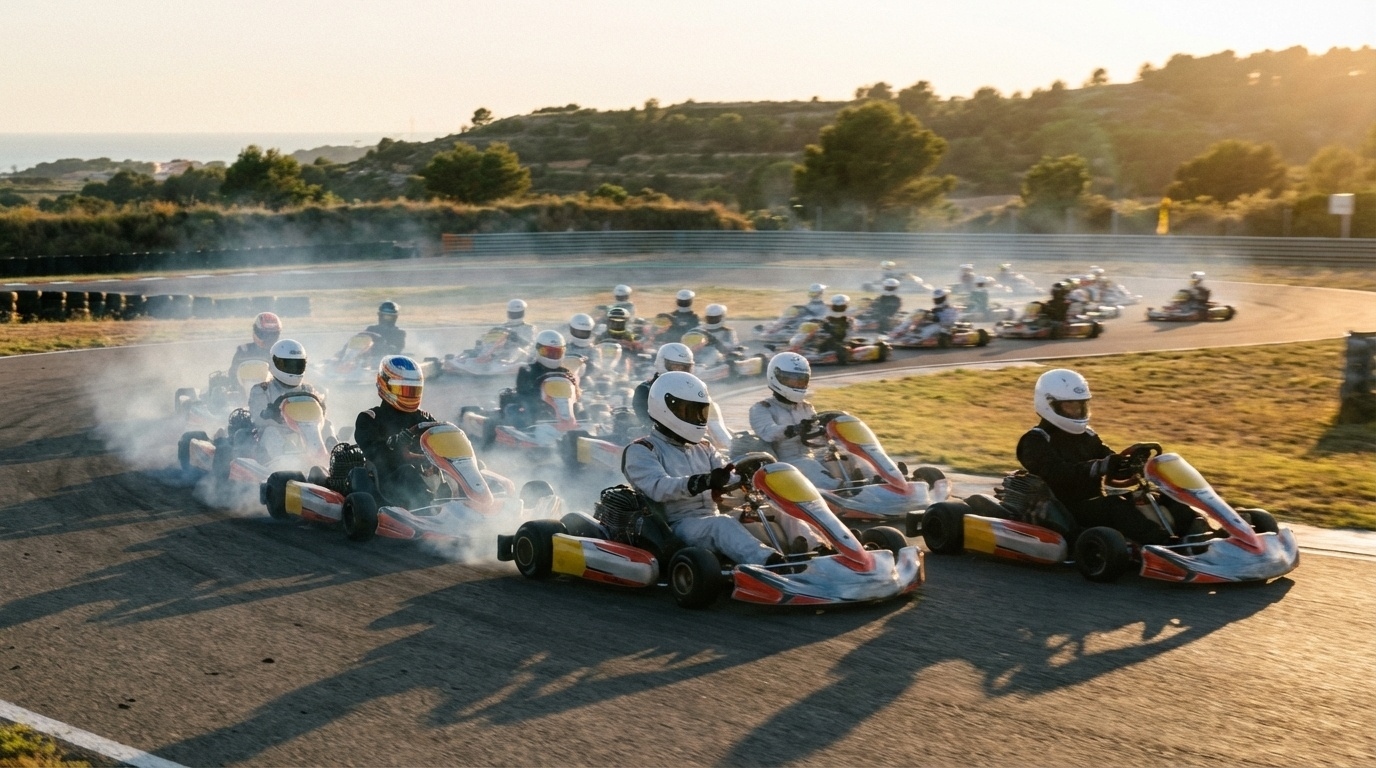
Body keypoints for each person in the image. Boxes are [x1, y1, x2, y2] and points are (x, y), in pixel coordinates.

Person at [1016, 369, 1196, 545]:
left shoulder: (1087, 436)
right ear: (1049, 404)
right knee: (1115, 505)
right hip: (1064, 510)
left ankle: (1198, 532)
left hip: (1096, 503)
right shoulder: (1035, 441)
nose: (1077, 411)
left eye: (1081, 405)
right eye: (1070, 405)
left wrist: (1132, 465)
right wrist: (1099, 467)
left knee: (1161, 495)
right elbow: (1057, 473)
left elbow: (1111, 462)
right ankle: (1162, 544)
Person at [622, 371, 783, 566]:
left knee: (777, 511)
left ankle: (817, 549)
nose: (696, 418)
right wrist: (702, 481)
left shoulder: (704, 447)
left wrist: (745, 477)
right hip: (678, 525)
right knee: (722, 525)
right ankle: (772, 564)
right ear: (664, 409)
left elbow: (723, 476)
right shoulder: (642, 449)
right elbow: (659, 487)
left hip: (713, 516)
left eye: (700, 411)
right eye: (688, 411)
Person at [354, 355, 439, 510]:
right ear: (384, 384)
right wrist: (398, 443)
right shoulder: (369, 419)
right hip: (390, 482)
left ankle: (474, 502)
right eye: (403, 389)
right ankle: (430, 509)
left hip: (425, 473)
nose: (408, 394)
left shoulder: (424, 417)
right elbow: (377, 455)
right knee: (408, 471)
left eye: (413, 390)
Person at [748, 352, 842, 491]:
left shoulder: (806, 407)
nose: (798, 384)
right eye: (793, 380)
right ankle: (840, 492)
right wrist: (793, 429)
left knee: (848, 457)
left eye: (801, 380)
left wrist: (826, 429)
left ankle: (872, 486)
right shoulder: (761, 408)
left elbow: (817, 439)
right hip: (786, 463)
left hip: (813, 455)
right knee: (809, 465)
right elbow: (768, 432)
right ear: (776, 377)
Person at [247, 338, 330, 457]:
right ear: (273, 363)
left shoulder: (308, 389)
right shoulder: (262, 390)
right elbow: (258, 420)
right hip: (275, 437)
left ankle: (336, 458)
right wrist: (273, 414)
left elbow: (320, 414)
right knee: (270, 432)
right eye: (288, 364)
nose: (294, 368)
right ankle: (284, 465)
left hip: (306, 433)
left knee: (327, 424)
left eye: (298, 364)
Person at [507, 330, 576, 426]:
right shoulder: (527, 370)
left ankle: (582, 427)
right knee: (515, 408)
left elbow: (575, 392)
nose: (552, 356)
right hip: (538, 409)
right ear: (538, 350)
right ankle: (524, 430)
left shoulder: (566, 372)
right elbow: (523, 392)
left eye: (557, 353)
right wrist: (540, 391)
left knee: (582, 407)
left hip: (564, 406)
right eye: (549, 352)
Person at [632, 342, 694, 424]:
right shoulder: (645, 389)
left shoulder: (693, 388)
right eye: (675, 366)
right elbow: (647, 421)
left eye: (683, 367)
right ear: (661, 363)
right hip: (658, 434)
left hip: (690, 433)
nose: (679, 371)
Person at [814, 294, 854, 363]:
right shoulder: (828, 315)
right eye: (836, 306)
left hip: (840, 340)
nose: (838, 308)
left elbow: (848, 333)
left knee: (835, 344)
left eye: (840, 306)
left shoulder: (848, 318)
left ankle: (844, 353)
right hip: (826, 338)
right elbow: (820, 322)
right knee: (816, 341)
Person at [564, 313, 597, 378]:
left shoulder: (593, 349)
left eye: (585, 333)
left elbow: (597, 366)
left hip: (586, 378)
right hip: (566, 377)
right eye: (579, 332)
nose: (582, 335)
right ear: (571, 329)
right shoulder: (565, 347)